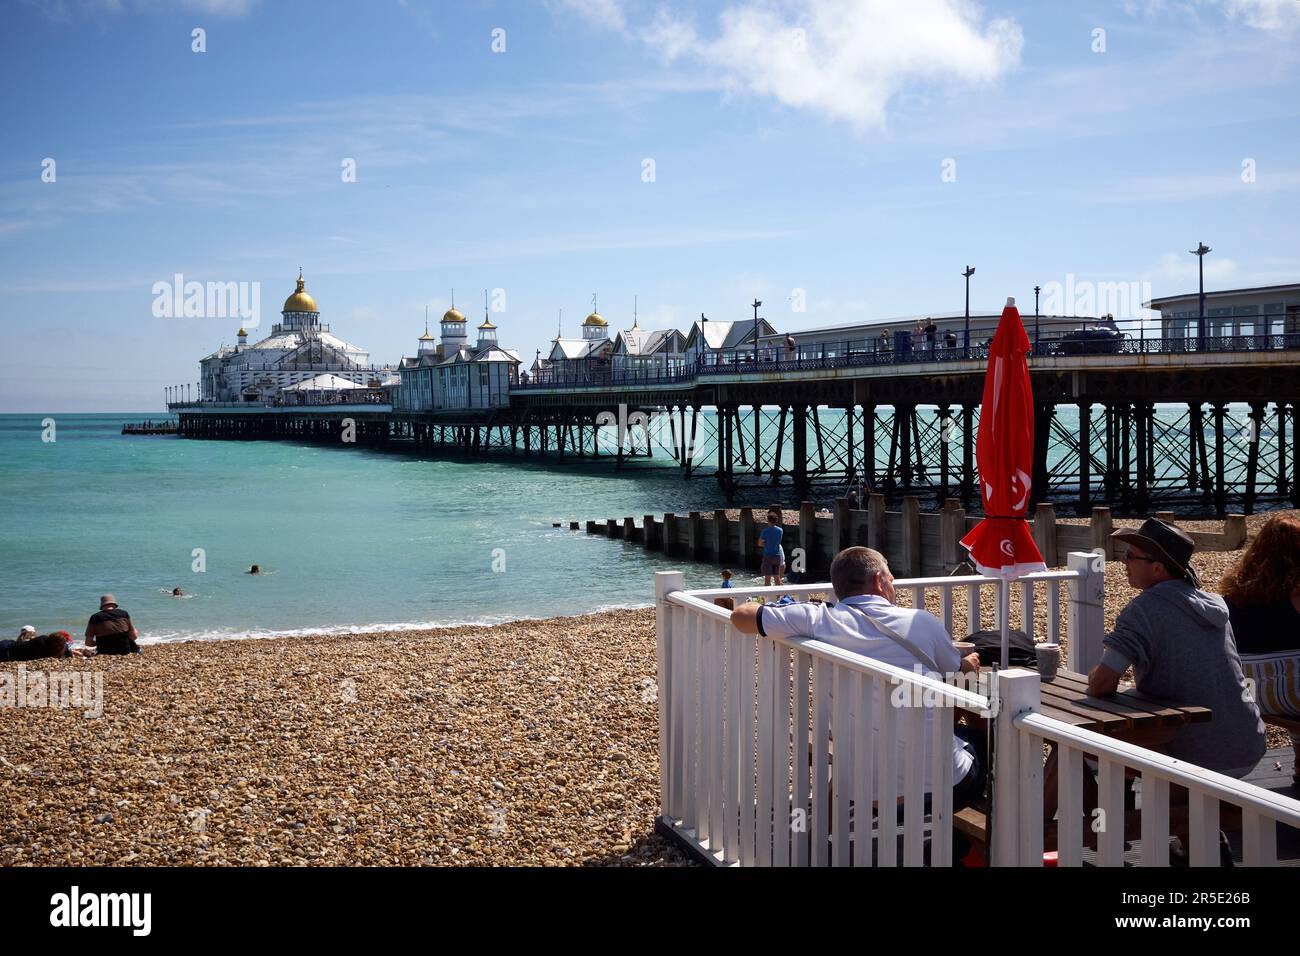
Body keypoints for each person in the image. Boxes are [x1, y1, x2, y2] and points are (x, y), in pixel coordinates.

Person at [729, 548, 984, 835]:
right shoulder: (922, 622)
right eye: (891, 577)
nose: (894, 585)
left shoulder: (819, 620)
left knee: (868, 738)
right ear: (878, 581)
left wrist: (774, 604)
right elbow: (956, 674)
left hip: (863, 787)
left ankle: (817, 840)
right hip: (943, 788)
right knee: (980, 735)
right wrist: (970, 664)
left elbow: (740, 616)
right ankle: (992, 840)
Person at [1086, 518, 1265, 777]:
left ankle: (1123, 816)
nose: (1124, 562)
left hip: (1194, 755)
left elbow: (1102, 684)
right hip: (1247, 745)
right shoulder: (1214, 604)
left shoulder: (1144, 610)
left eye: (1130, 556)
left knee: (1083, 746)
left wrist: (1093, 678)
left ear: (1158, 569)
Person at [1219, 513, 1300, 778]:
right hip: (1289, 693)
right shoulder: (1296, 594)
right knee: (1292, 673)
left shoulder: (1233, 594)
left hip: (1248, 691)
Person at [758, 510, 785, 587]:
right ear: (776, 520)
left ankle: (768, 596)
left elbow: (760, 543)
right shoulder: (780, 530)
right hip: (777, 556)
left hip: (768, 556)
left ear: (768, 520)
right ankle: (778, 596)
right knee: (777, 577)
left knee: (767, 578)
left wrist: (766, 544)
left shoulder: (765, 531)